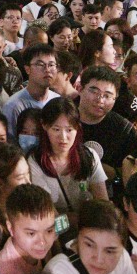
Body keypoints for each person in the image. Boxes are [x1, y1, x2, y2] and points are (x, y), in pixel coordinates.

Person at [27, 97, 107, 227]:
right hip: (55, 232)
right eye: (56, 129)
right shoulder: (35, 161)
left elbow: (103, 204)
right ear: (44, 126)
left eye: (69, 130)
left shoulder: (89, 156)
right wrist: (78, 220)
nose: (63, 138)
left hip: (90, 227)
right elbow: (49, 219)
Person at [0, 184, 57, 274]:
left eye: (49, 230)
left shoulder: (34, 251)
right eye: (31, 233)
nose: (42, 242)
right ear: (10, 228)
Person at [76, 65, 137, 180]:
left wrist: (111, 173)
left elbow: (127, 175)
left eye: (107, 96)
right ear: (80, 88)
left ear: (115, 98)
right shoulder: (62, 117)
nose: (100, 100)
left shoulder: (123, 129)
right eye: (94, 91)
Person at [2, 45, 61, 136]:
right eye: (40, 64)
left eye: (51, 65)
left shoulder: (58, 101)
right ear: (27, 69)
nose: (47, 70)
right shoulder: (14, 106)